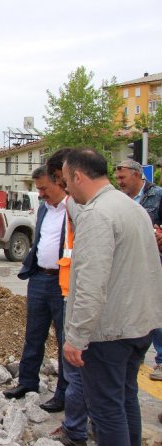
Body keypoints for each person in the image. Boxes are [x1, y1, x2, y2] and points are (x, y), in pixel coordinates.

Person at [62, 148, 162, 445]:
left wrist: (77, 336)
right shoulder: (133, 208)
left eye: (67, 181)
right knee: (126, 398)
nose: (66, 189)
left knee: (106, 410)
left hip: (108, 333)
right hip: (139, 326)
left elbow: (91, 284)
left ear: (78, 176)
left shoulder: (96, 214)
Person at [3, 165, 68, 414]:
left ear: (59, 182)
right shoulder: (44, 209)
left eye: (43, 188)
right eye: (38, 189)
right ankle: (28, 382)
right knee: (34, 334)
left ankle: (64, 393)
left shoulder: (74, 209)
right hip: (40, 278)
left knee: (64, 339)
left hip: (63, 281)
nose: (40, 193)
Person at [45, 148, 89, 446]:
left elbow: (92, 270)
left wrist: (80, 332)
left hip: (77, 298)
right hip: (68, 290)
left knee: (79, 373)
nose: (63, 187)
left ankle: (77, 430)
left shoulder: (83, 209)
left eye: (61, 180)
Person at [114, 158, 162, 384]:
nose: (119, 182)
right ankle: (135, 355)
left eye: (122, 177)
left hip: (154, 262)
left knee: (155, 312)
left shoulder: (157, 196)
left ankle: (161, 360)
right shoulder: (119, 200)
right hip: (130, 263)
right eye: (117, 178)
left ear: (137, 174)